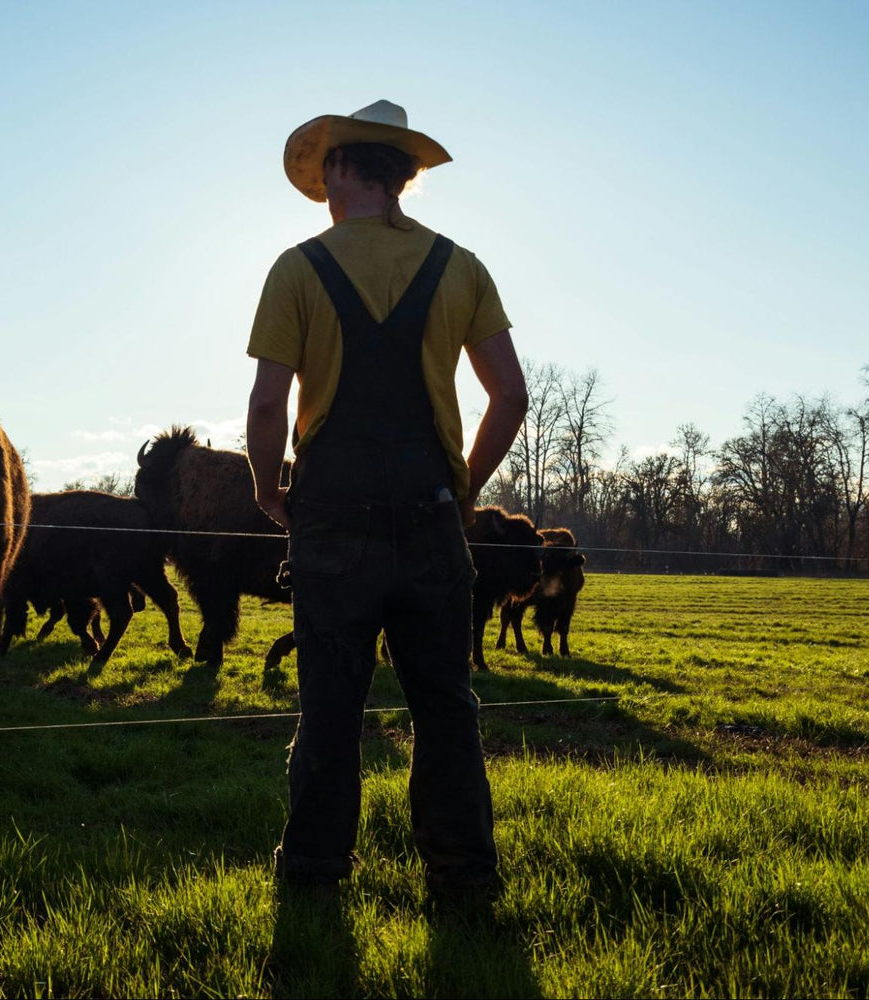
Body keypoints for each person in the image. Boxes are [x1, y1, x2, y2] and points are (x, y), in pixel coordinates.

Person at [245, 100, 528, 896]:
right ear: (403, 173)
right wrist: (462, 490)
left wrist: (270, 490)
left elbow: (268, 409)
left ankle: (313, 877)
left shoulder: (297, 268)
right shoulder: (462, 267)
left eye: (324, 170)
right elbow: (510, 397)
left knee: (330, 711)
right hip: (434, 511)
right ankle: (465, 878)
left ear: (340, 169)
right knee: (446, 708)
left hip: (330, 518)